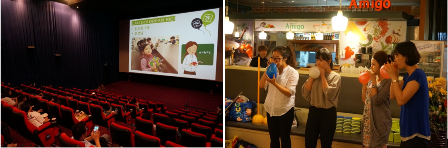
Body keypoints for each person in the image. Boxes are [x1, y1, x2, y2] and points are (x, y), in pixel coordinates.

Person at [383, 41, 430, 147]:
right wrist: (394, 75)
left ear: (407, 56)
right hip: (407, 130)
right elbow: (392, 95)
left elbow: (401, 100)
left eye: (397, 55)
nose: (395, 59)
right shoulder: (408, 76)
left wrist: (395, 78)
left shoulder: (418, 74)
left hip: (417, 133)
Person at [259, 46, 299, 148]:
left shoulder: (292, 72)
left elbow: (289, 93)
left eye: (277, 58)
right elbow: (261, 85)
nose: (274, 60)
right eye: (273, 58)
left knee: (285, 139)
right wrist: (266, 70)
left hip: (285, 110)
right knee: (273, 138)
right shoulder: (272, 69)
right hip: (271, 109)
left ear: (285, 58)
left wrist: (275, 83)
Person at [302, 48, 341, 148]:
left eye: (321, 60)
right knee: (309, 143)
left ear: (329, 61)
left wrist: (323, 77)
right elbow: (305, 93)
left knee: (326, 144)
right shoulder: (315, 74)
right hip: (314, 111)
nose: (318, 63)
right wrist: (311, 76)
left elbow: (329, 95)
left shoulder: (335, 77)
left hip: (328, 113)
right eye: (317, 60)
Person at [361, 51, 392, 148]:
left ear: (382, 65)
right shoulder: (372, 79)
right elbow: (364, 100)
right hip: (368, 120)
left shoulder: (388, 81)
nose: (371, 67)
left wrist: (373, 80)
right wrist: (364, 82)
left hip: (380, 123)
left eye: (374, 64)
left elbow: (376, 100)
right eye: (371, 64)